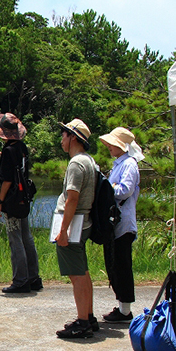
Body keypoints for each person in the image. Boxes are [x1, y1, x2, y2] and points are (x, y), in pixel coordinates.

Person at [54, 119, 97, 338]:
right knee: (83, 272)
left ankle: (82, 323)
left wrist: (63, 230)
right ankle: (88, 316)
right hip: (83, 222)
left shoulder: (76, 164)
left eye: (63, 135)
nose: (61, 139)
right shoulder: (89, 161)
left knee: (76, 275)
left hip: (75, 224)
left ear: (73, 137)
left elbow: (72, 199)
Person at [0, 112, 42, 294]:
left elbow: (7, 180)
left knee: (15, 239)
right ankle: (33, 278)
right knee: (26, 236)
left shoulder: (9, 151)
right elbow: (16, 165)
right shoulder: (21, 147)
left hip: (12, 200)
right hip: (24, 199)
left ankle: (20, 281)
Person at [99, 127, 144, 323]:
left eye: (112, 144)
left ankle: (125, 310)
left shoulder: (129, 165)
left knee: (122, 266)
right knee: (114, 264)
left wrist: (107, 187)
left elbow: (124, 191)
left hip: (123, 223)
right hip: (115, 223)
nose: (109, 147)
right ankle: (122, 307)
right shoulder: (120, 164)